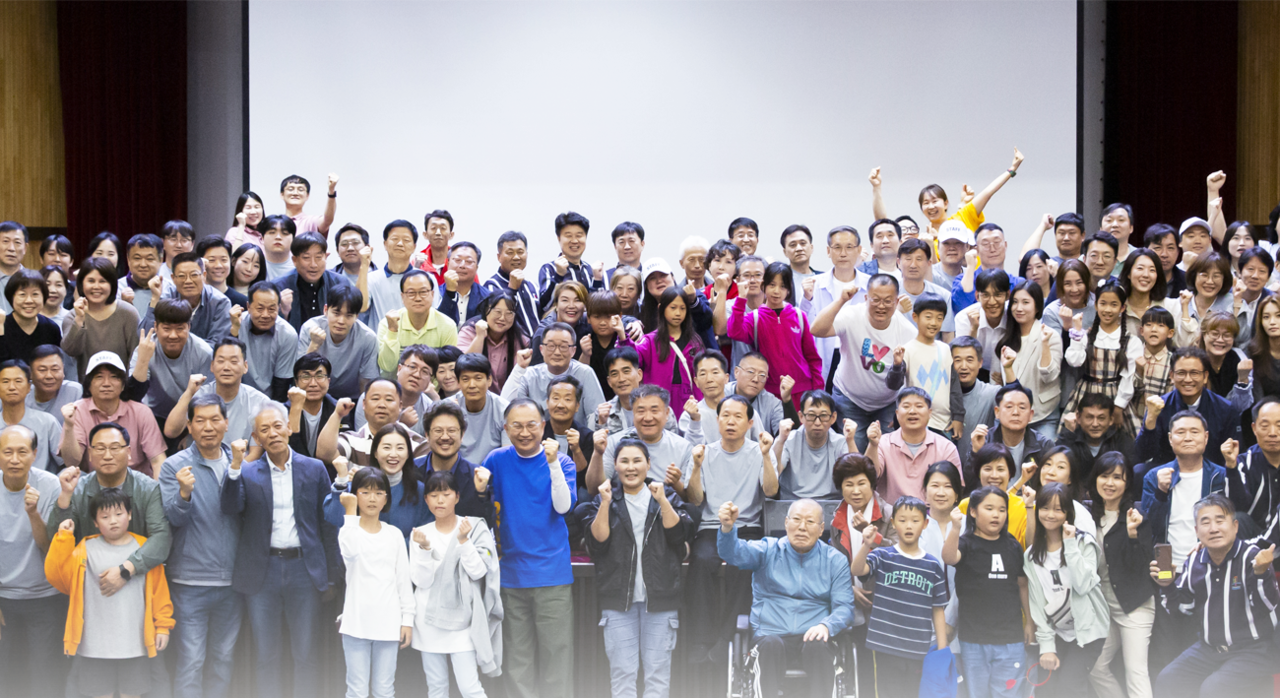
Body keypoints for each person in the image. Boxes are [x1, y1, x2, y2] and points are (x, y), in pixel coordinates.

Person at [220, 404, 338, 698]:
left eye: (277, 426)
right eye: (264, 429)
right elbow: (230, 507)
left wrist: (332, 576)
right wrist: (234, 467)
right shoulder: (247, 472)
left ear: (289, 428)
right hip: (263, 572)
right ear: (256, 438)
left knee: (306, 653)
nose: (272, 433)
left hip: (304, 570)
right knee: (266, 655)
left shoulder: (314, 468)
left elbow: (328, 523)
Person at [580, 438, 697, 698]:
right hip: (617, 600)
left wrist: (663, 501)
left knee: (657, 676)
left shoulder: (666, 496)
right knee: (622, 674)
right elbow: (597, 543)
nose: (631, 467)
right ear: (615, 465)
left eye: (637, 461)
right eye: (624, 461)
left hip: (661, 599)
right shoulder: (604, 498)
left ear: (648, 464)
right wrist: (604, 504)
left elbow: (679, 536)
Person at [480, 399, 577, 698]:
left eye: (531, 425)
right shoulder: (495, 460)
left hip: (552, 575)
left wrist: (552, 463)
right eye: (517, 426)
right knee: (516, 661)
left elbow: (564, 507)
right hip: (510, 574)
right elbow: (481, 508)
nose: (524, 432)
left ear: (543, 426)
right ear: (506, 428)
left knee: (556, 658)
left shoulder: (562, 462)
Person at [44, 489, 174, 698]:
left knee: (132, 694)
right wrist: (64, 538)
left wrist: (163, 626)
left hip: (136, 644)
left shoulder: (144, 547)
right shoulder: (85, 548)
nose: (113, 521)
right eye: (104, 517)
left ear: (129, 515)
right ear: (95, 522)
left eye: (119, 514)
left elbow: (159, 592)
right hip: (94, 646)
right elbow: (58, 576)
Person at [157, 393, 243, 698]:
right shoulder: (174, 466)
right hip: (189, 581)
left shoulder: (239, 463)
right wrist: (183, 493)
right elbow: (173, 519)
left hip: (232, 582)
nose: (208, 427)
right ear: (189, 426)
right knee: (191, 660)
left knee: (224, 658)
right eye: (200, 421)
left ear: (226, 423)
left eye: (215, 419)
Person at [1151, 494, 1280, 696]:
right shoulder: (1195, 560)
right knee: (1167, 680)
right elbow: (1184, 609)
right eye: (1205, 522)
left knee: (1213, 689)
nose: (1213, 528)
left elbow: (1267, 607)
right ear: (1196, 531)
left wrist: (1261, 573)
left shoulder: (1253, 557)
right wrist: (1167, 586)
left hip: (1254, 649)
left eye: (1220, 521)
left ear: (1235, 526)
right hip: (1209, 649)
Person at [682, 395, 777, 660]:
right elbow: (695, 500)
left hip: (747, 526)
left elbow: (771, 491)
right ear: (717, 420)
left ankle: (728, 637)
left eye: (738, 416)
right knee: (701, 561)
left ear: (750, 423)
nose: (731, 421)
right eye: (725, 416)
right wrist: (696, 467)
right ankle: (701, 641)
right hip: (711, 526)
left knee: (744, 565)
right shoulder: (703, 452)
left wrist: (767, 456)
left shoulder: (760, 450)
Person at [1142, 410, 1227, 669]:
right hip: (1167, 566)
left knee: (1203, 641)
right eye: (1180, 432)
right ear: (1170, 438)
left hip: (1208, 568)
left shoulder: (1220, 476)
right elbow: (1149, 527)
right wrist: (1161, 492)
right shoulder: (1155, 476)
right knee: (1167, 644)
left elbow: (1231, 524)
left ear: (1206, 437)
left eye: (1194, 432)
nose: (1187, 437)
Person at [409, 470, 501, 698]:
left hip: (463, 620)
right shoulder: (420, 534)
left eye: (446, 494)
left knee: (470, 688)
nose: (440, 500)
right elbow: (421, 581)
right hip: (428, 620)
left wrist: (464, 541)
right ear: (426, 499)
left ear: (457, 497)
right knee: (436, 688)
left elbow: (479, 573)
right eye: (433, 495)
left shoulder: (472, 527)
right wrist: (424, 549)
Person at [48, 421, 172, 586]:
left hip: (137, 577)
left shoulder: (147, 489)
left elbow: (161, 537)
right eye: (100, 448)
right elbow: (56, 540)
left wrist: (126, 569)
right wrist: (65, 495)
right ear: (90, 454)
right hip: (90, 579)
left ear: (128, 452)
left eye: (114, 448)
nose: (107, 456)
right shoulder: (77, 489)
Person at [849, 496, 949, 698]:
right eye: (902, 520)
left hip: (918, 648)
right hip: (884, 645)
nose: (909, 526)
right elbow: (858, 570)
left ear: (925, 524)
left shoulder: (932, 565)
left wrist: (942, 648)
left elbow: (937, 608)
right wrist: (866, 545)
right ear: (893, 523)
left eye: (915, 520)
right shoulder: (883, 556)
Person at [942, 485, 1033, 698]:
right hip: (973, 638)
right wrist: (955, 528)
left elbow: (1022, 585)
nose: (996, 515)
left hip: (1010, 638)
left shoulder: (1012, 545)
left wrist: (1029, 621)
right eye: (989, 508)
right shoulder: (965, 543)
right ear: (973, 512)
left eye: (1002, 510)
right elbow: (949, 557)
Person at [812, 273, 918, 451]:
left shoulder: (907, 331)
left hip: (887, 404)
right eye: (875, 300)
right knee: (854, 455)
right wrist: (841, 300)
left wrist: (901, 407)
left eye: (887, 301)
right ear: (866, 298)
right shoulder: (852, 315)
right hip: (849, 398)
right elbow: (817, 329)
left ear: (896, 301)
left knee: (885, 453)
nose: (881, 306)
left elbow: (910, 378)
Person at [1022, 483, 1109, 697]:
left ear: (1068, 513)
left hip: (1088, 631)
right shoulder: (1032, 555)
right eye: (1045, 508)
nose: (1050, 515)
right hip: (1056, 630)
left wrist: (1070, 545)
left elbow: (1083, 585)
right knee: (1047, 690)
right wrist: (1046, 646)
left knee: (1070, 686)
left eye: (1058, 509)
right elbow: (1037, 602)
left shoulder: (1084, 543)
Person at [336, 467, 415, 698]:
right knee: (357, 690)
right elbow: (350, 553)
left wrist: (407, 620)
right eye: (365, 492)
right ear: (355, 495)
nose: (372, 498)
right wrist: (349, 512)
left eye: (379, 493)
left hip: (388, 623)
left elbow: (403, 580)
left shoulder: (394, 534)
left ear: (386, 499)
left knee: (384, 689)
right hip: (356, 623)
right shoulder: (349, 530)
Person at [0, 425, 64, 698]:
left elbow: (48, 546)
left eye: (22, 452)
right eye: (7, 452)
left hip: (44, 596)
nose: (14, 459)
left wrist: (33, 512)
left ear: (35, 454)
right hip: (3, 597)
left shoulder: (50, 484)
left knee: (43, 673)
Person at [1085, 452, 1155, 698]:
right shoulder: (1086, 516)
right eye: (1104, 476)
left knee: (1136, 673)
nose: (1110, 483)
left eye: (1117, 477)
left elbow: (1141, 568)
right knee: (1094, 668)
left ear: (1127, 483)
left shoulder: (1137, 516)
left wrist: (1133, 535)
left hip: (1134, 605)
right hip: (1103, 609)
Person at [827, 452, 898, 661]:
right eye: (849, 484)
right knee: (860, 662)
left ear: (872, 484)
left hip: (885, 601)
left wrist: (871, 536)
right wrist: (848, 588)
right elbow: (835, 563)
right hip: (851, 601)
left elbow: (899, 554)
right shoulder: (837, 517)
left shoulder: (890, 514)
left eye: (861, 483)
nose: (856, 491)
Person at [727, 262, 822, 408]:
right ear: (764, 286)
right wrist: (741, 299)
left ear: (789, 290)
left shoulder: (799, 316)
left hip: (802, 390)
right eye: (772, 285)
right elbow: (734, 331)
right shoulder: (755, 318)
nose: (776, 291)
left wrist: (818, 390)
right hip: (769, 392)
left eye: (782, 286)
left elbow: (812, 357)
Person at [1136, 347, 1249, 468]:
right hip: (1168, 473)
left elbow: (1235, 456)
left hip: (1211, 473)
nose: (1188, 379)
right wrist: (1150, 421)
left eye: (1194, 373)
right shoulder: (1159, 406)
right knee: (1139, 470)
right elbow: (1142, 455)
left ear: (1205, 376)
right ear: (1172, 376)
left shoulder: (1225, 409)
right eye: (1181, 373)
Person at [62, 352, 167, 477]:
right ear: (88, 384)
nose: (106, 383)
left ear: (123, 385)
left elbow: (157, 460)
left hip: (136, 482)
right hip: (93, 481)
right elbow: (71, 462)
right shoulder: (77, 410)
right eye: (99, 377)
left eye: (114, 377)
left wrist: (159, 488)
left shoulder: (141, 412)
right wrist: (69, 427)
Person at [1062, 281, 1143, 436]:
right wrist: (1077, 334)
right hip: (1086, 394)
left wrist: (1119, 406)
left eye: (1114, 304)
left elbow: (1129, 377)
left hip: (1116, 397)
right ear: (1096, 305)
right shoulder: (1086, 336)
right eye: (1103, 303)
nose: (1107, 309)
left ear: (1122, 308)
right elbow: (1074, 361)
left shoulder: (1131, 341)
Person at [587, 384, 694, 498]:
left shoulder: (683, 447)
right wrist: (597, 453)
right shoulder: (614, 443)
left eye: (654, 411)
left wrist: (676, 484)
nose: (648, 418)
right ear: (633, 413)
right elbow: (594, 490)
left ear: (667, 413)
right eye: (641, 411)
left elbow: (692, 499)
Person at [165, 338, 276, 447]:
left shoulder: (260, 402)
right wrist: (189, 393)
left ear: (245, 366)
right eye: (221, 361)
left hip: (242, 458)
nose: (226, 367)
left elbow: (257, 452)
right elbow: (170, 431)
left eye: (233, 362)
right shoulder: (198, 395)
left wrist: (237, 460)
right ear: (212, 366)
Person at [887, 294, 965, 438]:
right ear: (915, 317)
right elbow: (893, 384)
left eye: (939, 318)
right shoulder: (908, 349)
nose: (934, 323)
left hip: (944, 424)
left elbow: (954, 386)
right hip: (917, 422)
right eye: (928, 317)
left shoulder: (945, 349)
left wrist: (958, 417)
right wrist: (897, 365)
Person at [993, 281, 1062, 438]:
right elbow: (997, 380)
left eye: (1025, 302)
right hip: (1010, 413)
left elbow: (1049, 376)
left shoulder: (1050, 335)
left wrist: (1045, 345)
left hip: (1042, 414)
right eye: (1015, 302)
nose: (1019, 308)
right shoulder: (1006, 337)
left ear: (1037, 307)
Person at [798, 225, 867, 382]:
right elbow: (803, 325)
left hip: (859, 357)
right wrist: (806, 299)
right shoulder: (814, 284)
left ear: (858, 250)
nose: (843, 253)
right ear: (828, 251)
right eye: (837, 247)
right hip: (823, 357)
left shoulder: (870, 285)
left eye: (849, 247)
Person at [502, 323, 606, 425]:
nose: (557, 352)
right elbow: (506, 407)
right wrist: (519, 368)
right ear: (541, 349)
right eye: (551, 346)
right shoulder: (530, 375)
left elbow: (596, 415)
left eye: (563, 346)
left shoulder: (585, 373)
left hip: (577, 434)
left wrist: (587, 435)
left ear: (573, 351)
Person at [130, 298, 214, 425]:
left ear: (189, 327)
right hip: (151, 416)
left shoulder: (204, 352)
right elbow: (134, 395)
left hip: (189, 417)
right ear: (156, 327)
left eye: (180, 329)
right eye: (167, 329)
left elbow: (207, 398)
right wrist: (143, 360)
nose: (173, 335)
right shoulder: (144, 349)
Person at [869, 387, 961, 502]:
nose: (912, 411)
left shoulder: (946, 447)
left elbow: (955, 488)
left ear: (930, 413)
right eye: (906, 406)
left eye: (919, 406)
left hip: (931, 511)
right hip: (890, 511)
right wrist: (873, 445)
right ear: (897, 413)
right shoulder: (882, 443)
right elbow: (869, 478)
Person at [62, 257, 141, 382]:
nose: (96, 286)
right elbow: (71, 350)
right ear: (81, 284)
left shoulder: (128, 313)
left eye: (103, 281)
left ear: (112, 284)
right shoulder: (73, 316)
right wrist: (80, 319)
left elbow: (136, 356)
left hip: (123, 387)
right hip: (87, 388)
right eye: (91, 281)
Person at [298, 283, 380, 403]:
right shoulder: (310, 328)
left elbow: (366, 382)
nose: (341, 321)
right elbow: (301, 376)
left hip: (351, 399)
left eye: (349, 315)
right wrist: (314, 345)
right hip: (316, 396)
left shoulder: (368, 338)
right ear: (325, 310)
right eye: (336, 313)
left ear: (357, 316)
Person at [417, 402, 495, 523]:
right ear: (427, 435)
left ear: (462, 435)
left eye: (451, 430)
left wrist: (481, 493)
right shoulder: (411, 472)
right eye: (438, 430)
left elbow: (487, 523)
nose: (445, 437)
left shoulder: (477, 477)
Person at [773, 390, 855, 499]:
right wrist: (780, 440)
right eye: (811, 415)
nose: (817, 422)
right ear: (801, 416)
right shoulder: (788, 440)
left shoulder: (841, 442)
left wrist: (850, 441)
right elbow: (771, 482)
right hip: (793, 504)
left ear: (833, 418)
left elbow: (856, 478)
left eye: (823, 415)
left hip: (832, 504)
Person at [326, 379, 429, 467]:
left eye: (389, 399)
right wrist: (337, 415)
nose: (382, 405)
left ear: (400, 406)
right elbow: (325, 454)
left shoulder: (417, 444)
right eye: (375, 399)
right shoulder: (351, 440)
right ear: (364, 404)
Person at [966, 383, 1056, 480]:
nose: (1015, 412)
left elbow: (1052, 483)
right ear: (997, 412)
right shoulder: (985, 440)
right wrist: (976, 452)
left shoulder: (1044, 445)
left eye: (1022, 408)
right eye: (1009, 407)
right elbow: (969, 483)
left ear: (1031, 415)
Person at [275, 230, 357, 330]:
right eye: (306, 257)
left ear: (326, 257)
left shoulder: (340, 283)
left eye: (318, 257)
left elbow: (348, 320)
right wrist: (283, 312)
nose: (313, 264)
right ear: (295, 260)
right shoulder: (279, 286)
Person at [377, 270, 458, 371]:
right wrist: (392, 331)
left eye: (423, 292)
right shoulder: (387, 324)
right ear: (402, 297)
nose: (418, 298)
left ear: (432, 295)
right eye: (411, 293)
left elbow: (448, 369)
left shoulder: (447, 325)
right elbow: (387, 367)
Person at [1222, 398, 1280, 538]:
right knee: (1237, 519)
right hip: (1251, 537)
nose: (1272, 433)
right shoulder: (1243, 462)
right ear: (1254, 429)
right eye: (1265, 426)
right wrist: (1231, 466)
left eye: (1279, 425)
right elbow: (1236, 507)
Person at [588, 346, 675, 435]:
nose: (621, 379)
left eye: (626, 371)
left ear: (639, 375)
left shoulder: (660, 409)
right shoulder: (602, 414)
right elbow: (594, 442)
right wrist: (601, 424)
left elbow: (673, 441)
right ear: (609, 381)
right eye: (614, 374)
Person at [234, 281, 298, 402]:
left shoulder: (287, 334)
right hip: (237, 397)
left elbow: (281, 384)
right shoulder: (236, 324)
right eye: (260, 308)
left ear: (279, 307)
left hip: (270, 400)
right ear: (248, 307)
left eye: (271, 309)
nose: (265, 315)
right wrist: (234, 332)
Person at [354, 345, 435, 435]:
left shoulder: (430, 410)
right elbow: (362, 439)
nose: (417, 375)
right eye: (412, 367)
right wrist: (401, 425)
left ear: (430, 380)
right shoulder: (371, 398)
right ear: (399, 369)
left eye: (425, 371)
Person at [445, 354, 511, 464]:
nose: (472, 385)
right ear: (458, 382)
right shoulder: (446, 408)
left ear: (489, 380)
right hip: (456, 470)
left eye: (478, 378)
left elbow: (507, 454)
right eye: (465, 379)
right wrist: (449, 419)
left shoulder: (504, 410)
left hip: (492, 469)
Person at [0, 360, 60, 473]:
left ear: (29, 387)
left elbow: (66, 462)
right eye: (5, 381)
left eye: (18, 381)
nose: (12, 387)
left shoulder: (47, 422)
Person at [1058, 392, 1138, 476]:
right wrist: (1068, 433)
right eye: (1089, 417)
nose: (1095, 424)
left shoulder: (1121, 440)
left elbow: (1130, 473)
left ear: (1111, 420)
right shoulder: (1071, 437)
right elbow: (1058, 465)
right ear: (1078, 418)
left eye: (1101, 418)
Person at [952, 224, 1025, 312]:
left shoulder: (1019, 284)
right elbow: (960, 307)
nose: (992, 249)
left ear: (1005, 245)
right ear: (977, 250)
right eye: (985, 244)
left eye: (997, 242)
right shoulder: (962, 280)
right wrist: (970, 266)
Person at [483, 231, 541, 337]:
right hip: (511, 346)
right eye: (510, 253)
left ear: (527, 254)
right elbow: (495, 322)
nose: (516, 257)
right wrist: (512, 290)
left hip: (538, 345)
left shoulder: (533, 286)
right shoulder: (491, 286)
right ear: (499, 257)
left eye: (520, 252)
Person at [955, 269, 1011, 375]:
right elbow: (963, 358)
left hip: (1007, 369)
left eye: (998, 295)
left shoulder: (1015, 315)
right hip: (974, 372)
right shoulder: (964, 318)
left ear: (1007, 295)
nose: (992, 302)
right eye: (985, 295)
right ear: (977, 296)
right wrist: (973, 329)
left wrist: (1007, 375)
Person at [1, 270, 62, 366]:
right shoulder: (2, 326)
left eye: (35, 294)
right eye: (22, 294)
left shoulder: (51, 329)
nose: (29, 301)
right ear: (11, 297)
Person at [898, 238, 955, 337]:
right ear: (898, 262)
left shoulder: (943, 296)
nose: (913, 265)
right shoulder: (889, 293)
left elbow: (948, 336)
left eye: (919, 259)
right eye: (908, 259)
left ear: (929, 263)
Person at [952, 336, 999, 459]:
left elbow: (1016, 398)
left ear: (980, 363)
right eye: (957, 360)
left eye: (969, 360)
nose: (963, 366)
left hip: (979, 465)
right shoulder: (940, 395)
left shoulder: (991, 393)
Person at [284, 353, 337, 461]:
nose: (313, 383)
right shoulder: (283, 412)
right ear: (296, 382)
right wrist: (295, 408)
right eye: (305, 377)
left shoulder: (338, 410)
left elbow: (338, 453)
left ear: (328, 381)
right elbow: (287, 451)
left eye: (320, 376)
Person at [370, 221, 421, 326]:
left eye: (406, 240)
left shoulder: (425, 279)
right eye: (394, 239)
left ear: (414, 247)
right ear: (385, 244)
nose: (400, 244)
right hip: (381, 336)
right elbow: (361, 308)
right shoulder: (371, 279)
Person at [25, 346, 78, 427]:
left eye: (55, 369)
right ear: (31, 373)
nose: (49, 376)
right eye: (42, 370)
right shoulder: (23, 395)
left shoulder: (75, 392)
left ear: (63, 370)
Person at [439, 241, 491, 325]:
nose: (462, 265)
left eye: (469, 261)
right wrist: (450, 293)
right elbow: (439, 324)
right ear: (448, 263)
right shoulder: (435, 293)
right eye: (457, 260)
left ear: (477, 267)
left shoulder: (487, 297)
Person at [1231, 247, 1273, 346]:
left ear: (1268, 277)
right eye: (1250, 269)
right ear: (1239, 271)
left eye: (1262, 271)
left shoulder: (1272, 301)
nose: (1255, 276)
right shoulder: (1225, 297)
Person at [119, 234, 166, 318]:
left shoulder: (170, 289)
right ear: (128, 260)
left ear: (160, 260)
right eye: (137, 258)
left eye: (149, 259)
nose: (143, 264)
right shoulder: (115, 289)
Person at [1196, 312, 1243, 397]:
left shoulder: (1239, 360)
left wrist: (1243, 380)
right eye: (1214, 334)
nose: (1220, 340)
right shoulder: (1192, 361)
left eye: (1227, 335)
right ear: (1204, 335)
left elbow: (1242, 402)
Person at [1185, 252, 1234, 327]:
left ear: (1224, 279)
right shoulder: (1179, 304)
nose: (1210, 281)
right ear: (1194, 276)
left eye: (1216, 276)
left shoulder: (1233, 304)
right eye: (1204, 275)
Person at [197, 237, 246, 309]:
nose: (218, 265)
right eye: (212, 260)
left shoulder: (242, 302)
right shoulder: (192, 299)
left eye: (223, 260)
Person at [1021, 212, 1086, 263]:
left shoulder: (1088, 263)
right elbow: (1025, 259)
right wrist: (1043, 225)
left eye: (1071, 233)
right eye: (1062, 233)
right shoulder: (1048, 264)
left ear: (1082, 236)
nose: (1066, 238)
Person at [413, 209, 455, 283]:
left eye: (443, 228)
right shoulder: (417, 263)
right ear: (425, 234)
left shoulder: (460, 262)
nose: (438, 233)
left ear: (451, 235)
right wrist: (416, 270)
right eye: (433, 228)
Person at [932, 220, 972, 290]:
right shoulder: (927, 276)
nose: (952, 248)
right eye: (946, 243)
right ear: (938, 247)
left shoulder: (974, 277)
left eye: (958, 243)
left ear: (967, 247)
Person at [0, 222, 27, 316]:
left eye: (17, 242)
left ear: (25, 248)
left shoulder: (36, 281)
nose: (11, 248)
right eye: (5, 241)